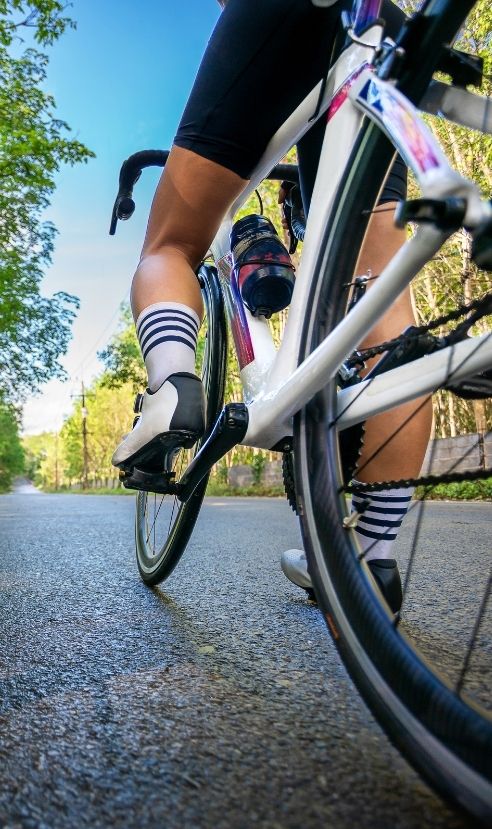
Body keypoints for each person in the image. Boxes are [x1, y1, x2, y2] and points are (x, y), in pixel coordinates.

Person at [112, 0, 432, 612]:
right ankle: (371, 557)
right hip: (384, 21)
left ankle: (173, 388)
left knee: (173, 243)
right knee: (382, 296)